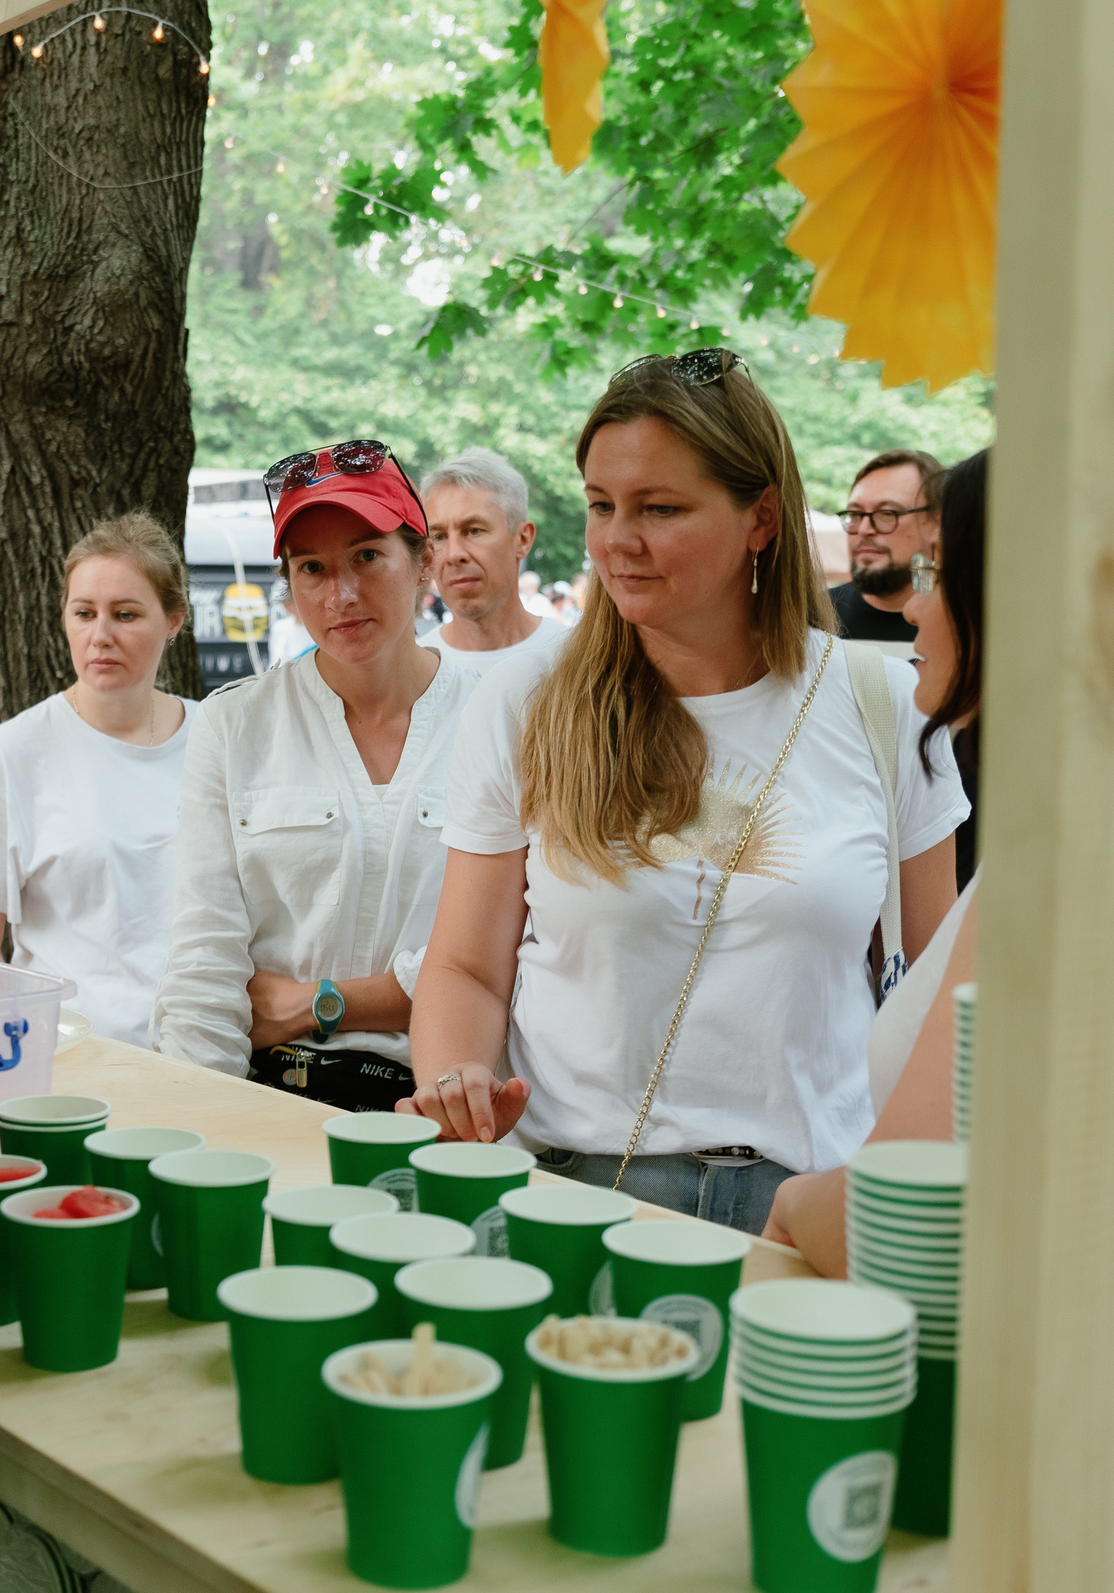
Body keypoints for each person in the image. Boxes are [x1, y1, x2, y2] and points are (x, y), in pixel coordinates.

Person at [763, 453, 1114, 1402]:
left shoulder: (1075, 861)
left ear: (1020, 610)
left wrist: (792, 1201)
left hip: (1096, 1442)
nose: (912, 608)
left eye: (941, 573)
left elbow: (894, 1225)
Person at [404, 351, 966, 1232]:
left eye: (659, 508)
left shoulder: (884, 707)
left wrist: (889, 1205)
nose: (617, 539)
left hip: (805, 1211)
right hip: (567, 1194)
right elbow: (466, 965)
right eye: (601, 504)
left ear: (761, 518)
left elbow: (938, 1001)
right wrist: (456, 1087)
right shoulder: (526, 700)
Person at [154, 442, 472, 1110]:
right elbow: (204, 960)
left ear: (424, 563)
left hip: (441, 1106)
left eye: (366, 556)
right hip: (273, 1097)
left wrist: (314, 1002)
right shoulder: (235, 725)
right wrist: (201, 1125)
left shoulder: (500, 721)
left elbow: (509, 952)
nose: (342, 594)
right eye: (312, 567)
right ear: (290, 588)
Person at [0, 515, 197, 1048]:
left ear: (173, 619)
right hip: (70, 1058)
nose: (100, 636)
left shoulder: (217, 741)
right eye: (83, 613)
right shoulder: (14, 753)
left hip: (210, 1059)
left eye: (126, 614)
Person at [420, 449, 570, 667]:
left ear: (522, 539)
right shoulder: (411, 677)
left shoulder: (578, 661)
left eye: (473, 531)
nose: (454, 555)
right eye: (439, 536)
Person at [829, 449, 944, 647]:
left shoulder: (968, 626)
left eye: (887, 513)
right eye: (855, 514)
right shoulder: (810, 620)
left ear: (935, 523)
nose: (865, 529)